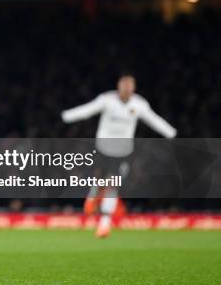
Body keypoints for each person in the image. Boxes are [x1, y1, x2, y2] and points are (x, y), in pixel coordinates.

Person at [61, 74, 176, 237]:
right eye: (124, 86)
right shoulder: (107, 100)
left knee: (112, 186)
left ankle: (104, 224)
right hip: (103, 147)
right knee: (99, 180)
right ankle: (93, 194)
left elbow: (153, 119)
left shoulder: (139, 104)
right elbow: (87, 110)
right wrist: (66, 116)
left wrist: (171, 133)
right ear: (119, 87)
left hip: (123, 151)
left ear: (133, 88)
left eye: (130, 86)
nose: (127, 89)